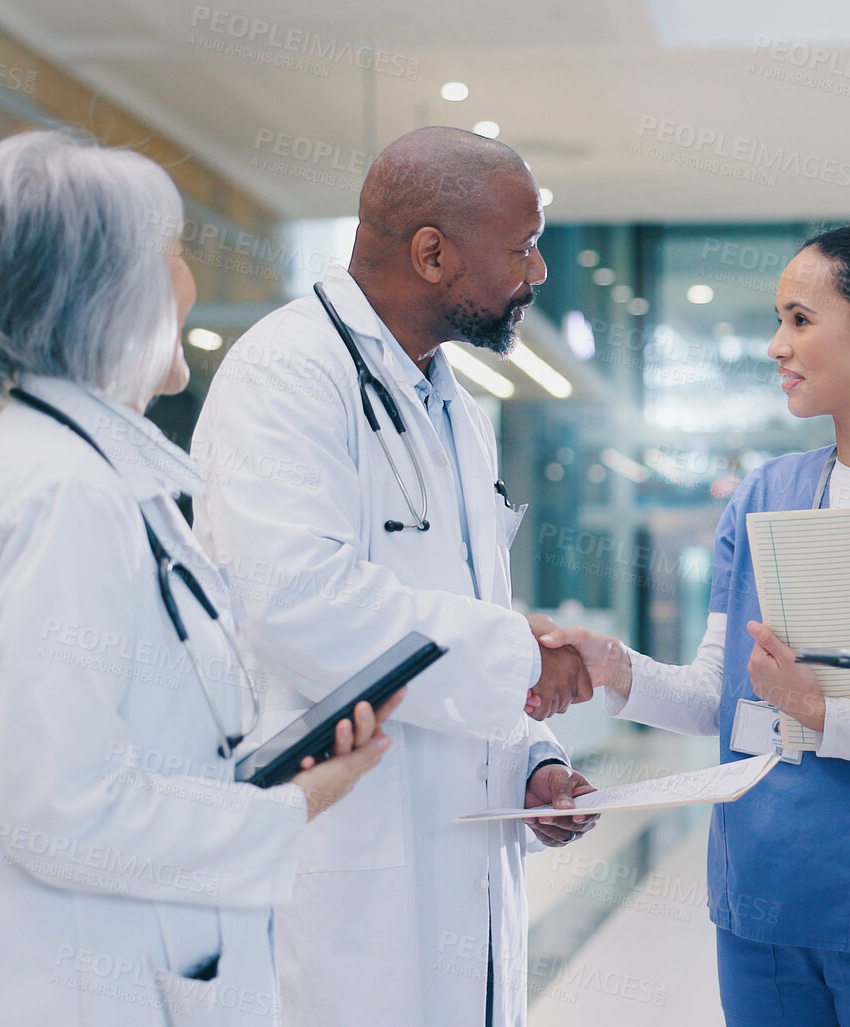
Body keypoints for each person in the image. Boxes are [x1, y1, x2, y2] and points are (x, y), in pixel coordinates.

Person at [0, 130, 396, 1027]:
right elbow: (60, 811)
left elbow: (133, 732)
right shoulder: (67, 491)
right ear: (105, 291)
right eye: (173, 258)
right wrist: (291, 806)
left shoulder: (81, 468)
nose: (188, 286)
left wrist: (267, 766)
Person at [543, 224, 850, 1026]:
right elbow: (722, 699)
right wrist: (613, 664)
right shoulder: (763, 494)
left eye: (800, 319)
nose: (776, 344)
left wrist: (822, 713)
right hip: (759, 902)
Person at [189, 127, 596, 1026]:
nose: (536, 273)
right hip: (345, 863)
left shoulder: (454, 406)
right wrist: (518, 656)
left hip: (460, 863)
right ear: (431, 253)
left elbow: (469, 610)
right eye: (521, 248)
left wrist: (532, 759)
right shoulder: (287, 373)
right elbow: (296, 603)